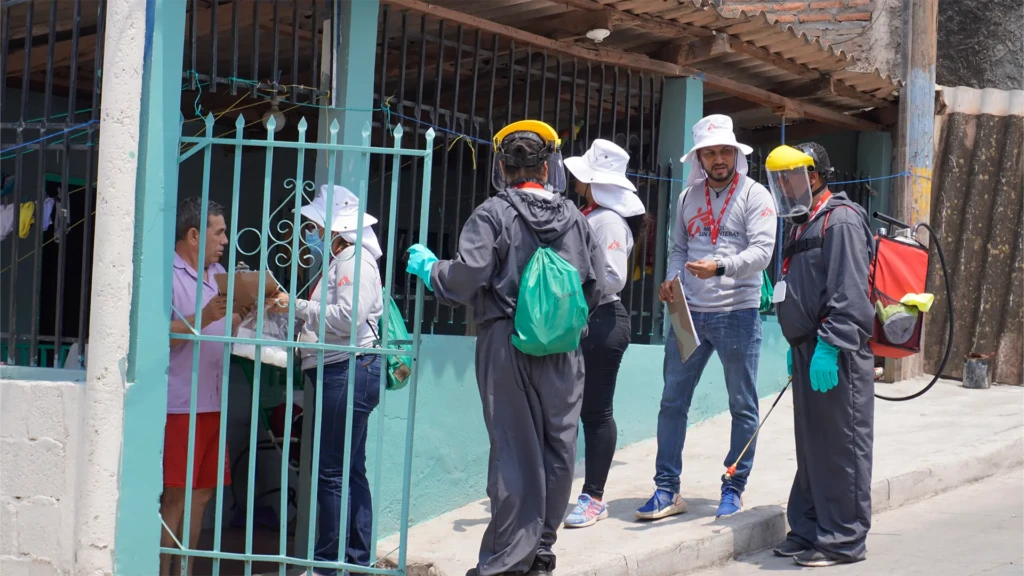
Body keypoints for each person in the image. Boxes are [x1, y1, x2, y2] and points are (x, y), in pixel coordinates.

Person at [405, 120, 606, 576]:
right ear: (548, 166)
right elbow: (596, 284)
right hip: (563, 351)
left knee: (515, 451)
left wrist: (432, 269)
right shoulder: (575, 217)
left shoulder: (492, 213)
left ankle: (504, 562)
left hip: (505, 344)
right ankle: (540, 551)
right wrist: (561, 327)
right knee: (559, 448)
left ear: (502, 166)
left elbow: (467, 277)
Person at [636, 114, 777, 521]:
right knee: (672, 401)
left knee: (742, 405)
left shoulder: (756, 196)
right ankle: (667, 489)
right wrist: (670, 280)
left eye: (724, 151)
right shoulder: (687, 198)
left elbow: (762, 255)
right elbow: (679, 248)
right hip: (687, 313)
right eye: (709, 152)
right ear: (699, 158)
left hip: (738, 313)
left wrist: (719, 267)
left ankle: (733, 487)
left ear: (736, 152)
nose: (718, 158)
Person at [764, 143, 875, 568]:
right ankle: (809, 528)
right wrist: (800, 347)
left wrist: (829, 345)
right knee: (812, 447)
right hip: (807, 348)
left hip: (835, 350)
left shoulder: (841, 220)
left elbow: (849, 293)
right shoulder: (801, 223)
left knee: (841, 447)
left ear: (813, 176)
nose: (783, 186)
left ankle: (843, 539)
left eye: (788, 177)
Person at [284, 184, 386, 573]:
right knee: (350, 469)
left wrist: (296, 306)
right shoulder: (345, 261)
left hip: (347, 369)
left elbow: (347, 319)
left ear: (334, 228)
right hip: (347, 369)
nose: (313, 232)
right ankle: (356, 561)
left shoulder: (352, 263)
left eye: (317, 225)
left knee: (331, 471)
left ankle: (327, 565)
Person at [560, 139, 647, 529]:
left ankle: (593, 497)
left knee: (595, 413)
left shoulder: (608, 220)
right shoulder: (593, 213)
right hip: (587, 320)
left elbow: (613, 276)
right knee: (575, 412)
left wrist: (568, 287)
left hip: (602, 322)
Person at [164, 198, 246, 576]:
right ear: (194, 235)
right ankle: (162, 571)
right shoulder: (168, 273)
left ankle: (185, 570)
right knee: (177, 497)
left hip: (213, 401)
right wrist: (202, 317)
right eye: (219, 232)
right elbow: (158, 336)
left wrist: (246, 311)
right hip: (179, 403)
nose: (225, 240)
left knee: (202, 495)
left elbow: (224, 331)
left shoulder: (219, 275)